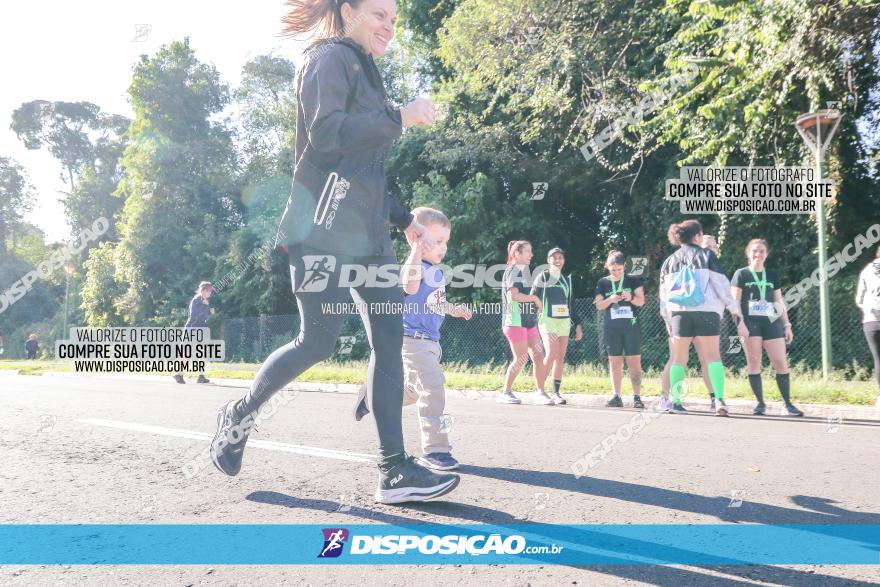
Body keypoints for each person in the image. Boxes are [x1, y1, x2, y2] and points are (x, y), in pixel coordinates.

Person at [210, 0, 460, 505]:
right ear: (348, 11)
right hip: (320, 229)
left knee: (389, 338)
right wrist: (400, 117)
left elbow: (363, 170)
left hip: (368, 239)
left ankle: (395, 470)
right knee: (318, 342)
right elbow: (326, 135)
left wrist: (403, 218)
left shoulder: (367, 72)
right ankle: (239, 415)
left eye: (394, 18)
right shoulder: (326, 59)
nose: (389, 26)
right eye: (379, 14)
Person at [398, 207, 471, 470]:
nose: (444, 247)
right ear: (416, 236)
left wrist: (455, 309)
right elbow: (410, 286)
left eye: (446, 242)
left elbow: (436, 302)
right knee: (433, 388)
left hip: (431, 341)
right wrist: (416, 249)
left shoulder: (437, 272)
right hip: (412, 339)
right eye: (438, 241)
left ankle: (373, 397)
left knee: (412, 391)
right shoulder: (414, 264)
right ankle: (436, 450)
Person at [659, 220, 748, 416]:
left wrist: (667, 320)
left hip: (679, 313)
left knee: (679, 358)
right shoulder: (707, 255)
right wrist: (736, 312)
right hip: (707, 312)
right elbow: (722, 287)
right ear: (698, 236)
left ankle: (677, 401)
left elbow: (663, 296)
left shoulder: (669, 261)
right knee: (712, 357)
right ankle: (719, 401)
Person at [731, 239, 803, 416]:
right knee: (754, 362)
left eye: (762, 251)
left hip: (771, 323)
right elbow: (735, 303)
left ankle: (787, 404)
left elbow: (779, 302)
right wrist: (740, 325)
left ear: (767, 254)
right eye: (754, 251)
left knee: (780, 362)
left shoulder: (771, 276)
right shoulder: (741, 274)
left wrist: (787, 325)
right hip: (749, 324)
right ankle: (760, 404)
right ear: (748, 253)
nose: (758, 254)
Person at [659, 234, 721, 412]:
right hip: (681, 318)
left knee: (708, 360)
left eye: (714, 247)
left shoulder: (715, 269)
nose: (711, 250)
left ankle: (715, 400)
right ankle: (666, 399)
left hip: (706, 319)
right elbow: (665, 295)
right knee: (677, 359)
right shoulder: (682, 266)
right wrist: (668, 319)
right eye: (707, 247)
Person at [498, 240, 553, 405]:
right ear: (517, 254)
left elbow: (523, 297)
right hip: (514, 321)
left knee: (538, 354)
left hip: (528, 321)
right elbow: (513, 296)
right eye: (528, 251)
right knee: (521, 358)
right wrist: (535, 299)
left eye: (531, 251)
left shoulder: (524, 272)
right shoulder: (513, 270)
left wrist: (533, 304)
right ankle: (506, 392)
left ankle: (540, 392)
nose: (531, 255)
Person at [531, 247, 583, 405]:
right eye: (554, 257)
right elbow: (533, 297)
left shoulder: (567, 280)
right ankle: (540, 390)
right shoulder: (543, 276)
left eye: (560, 257)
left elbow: (571, 304)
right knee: (552, 352)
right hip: (547, 320)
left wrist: (578, 324)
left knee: (560, 357)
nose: (557, 260)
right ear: (548, 260)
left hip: (564, 321)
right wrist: (533, 319)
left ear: (564, 260)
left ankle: (556, 393)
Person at [594, 251, 646, 408]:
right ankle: (616, 396)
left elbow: (641, 301)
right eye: (613, 270)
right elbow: (599, 305)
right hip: (611, 327)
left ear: (624, 266)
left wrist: (630, 298)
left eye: (619, 269)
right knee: (615, 362)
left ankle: (637, 396)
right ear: (607, 267)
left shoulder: (633, 279)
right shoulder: (603, 282)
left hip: (631, 325)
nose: (616, 272)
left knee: (634, 362)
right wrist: (610, 299)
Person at [174, 281, 215, 384]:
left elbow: (205, 314)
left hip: (201, 329)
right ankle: (178, 374)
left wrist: (209, 311)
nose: (210, 293)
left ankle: (201, 376)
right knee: (187, 354)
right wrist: (205, 308)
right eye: (209, 290)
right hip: (192, 329)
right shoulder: (196, 300)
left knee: (204, 353)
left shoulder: (205, 301)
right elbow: (193, 315)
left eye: (211, 291)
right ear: (203, 290)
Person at [856, 246, 880, 391]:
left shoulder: (866, 270)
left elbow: (859, 299)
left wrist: (871, 310)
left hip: (871, 320)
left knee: (878, 358)